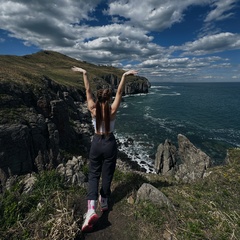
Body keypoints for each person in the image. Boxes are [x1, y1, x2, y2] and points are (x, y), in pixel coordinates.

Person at [71, 66, 137, 232]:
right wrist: (123, 76)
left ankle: (91, 208)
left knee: (94, 174)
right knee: (107, 173)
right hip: (109, 142)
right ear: (108, 99)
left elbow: (87, 90)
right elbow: (120, 93)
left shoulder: (92, 109)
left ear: (98, 98)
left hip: (96, 142)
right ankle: (105, 201)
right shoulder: (112, 110)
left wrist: (84, 73)